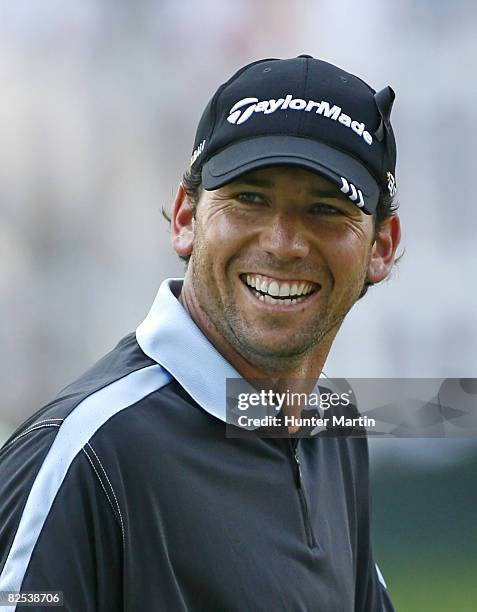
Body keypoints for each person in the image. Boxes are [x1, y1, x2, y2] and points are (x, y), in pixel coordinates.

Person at [0, 55, 400, 611]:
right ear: (186, 218)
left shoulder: (333, 428)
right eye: (250, 199)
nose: (284, 243)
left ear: (381, 246)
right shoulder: (83, 455)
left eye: (325, 210)